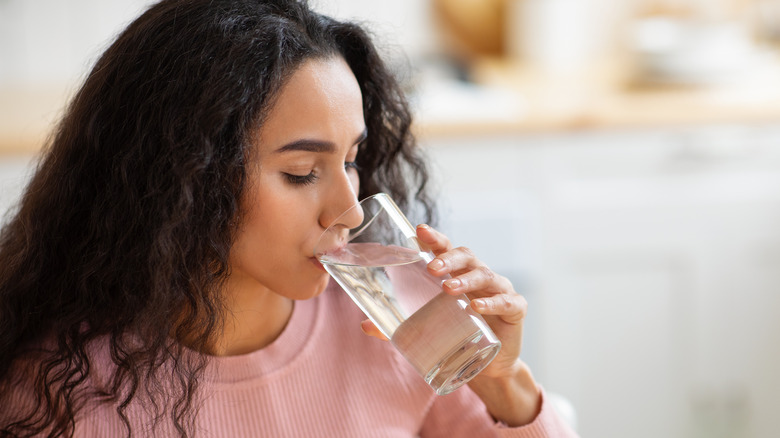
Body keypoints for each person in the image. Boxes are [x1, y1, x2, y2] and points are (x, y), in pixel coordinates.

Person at [0, 0, 579, 436]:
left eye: (351, 160)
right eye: (303, 171)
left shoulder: (403, 317)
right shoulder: (57, 384)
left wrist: (504, 383)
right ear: (182, 177)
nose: (350, 211)